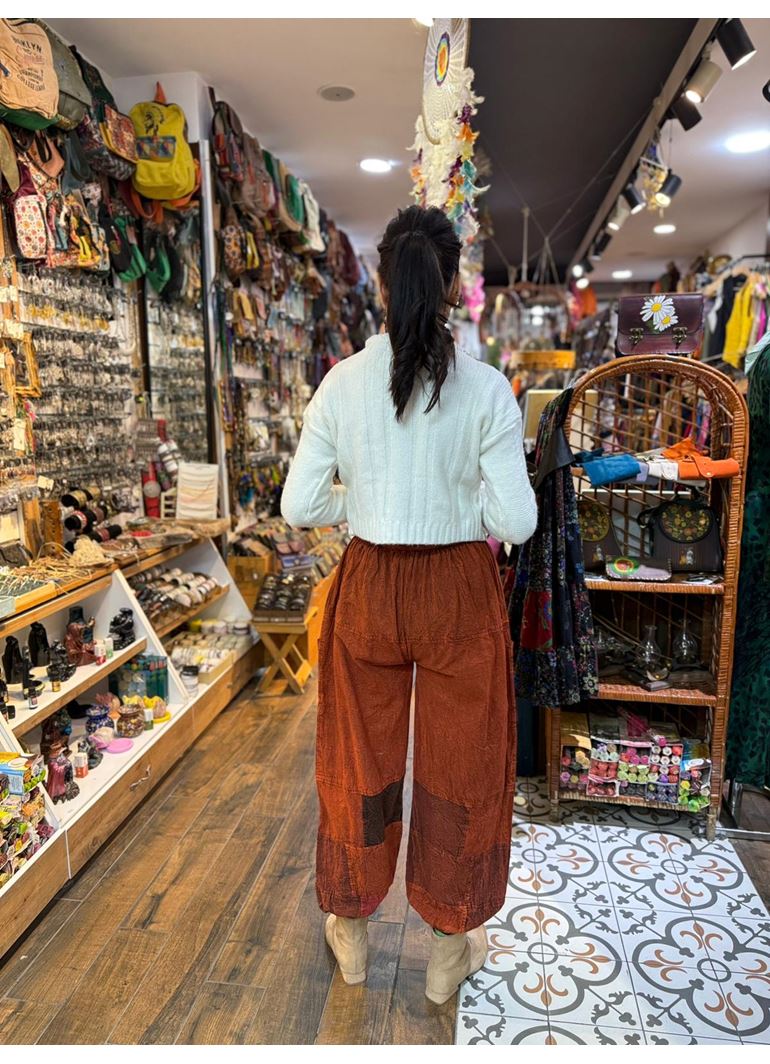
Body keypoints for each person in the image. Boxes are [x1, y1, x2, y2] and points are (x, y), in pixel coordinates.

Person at [281, 204, 536, 1005]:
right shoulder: (486, 388)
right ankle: (448, 946)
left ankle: (352, 929)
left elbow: (299, 505)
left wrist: (363, 504)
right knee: (465, 761)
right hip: (459, 586)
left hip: (369, 582)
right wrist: (461, 507)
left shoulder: (341, 382)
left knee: (358, 755)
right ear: (453, 283)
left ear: (384, 285)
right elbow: (517, 521)